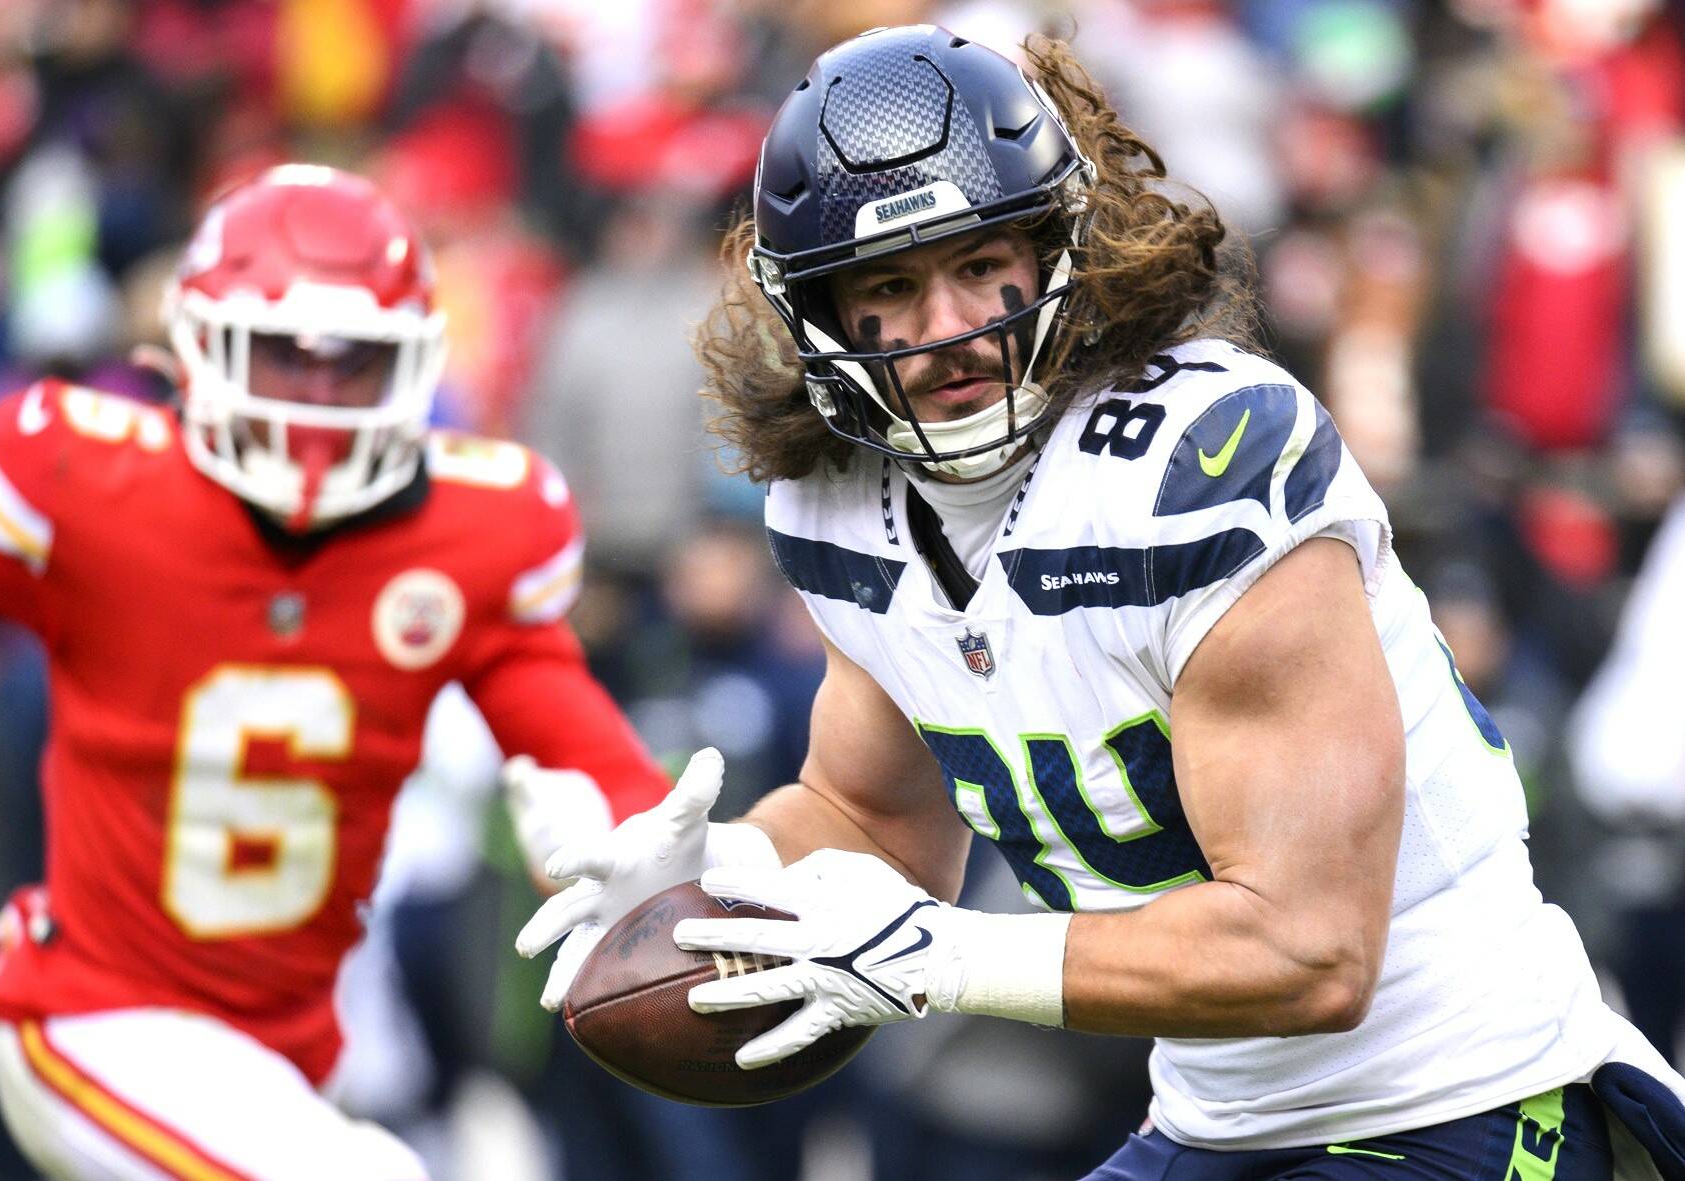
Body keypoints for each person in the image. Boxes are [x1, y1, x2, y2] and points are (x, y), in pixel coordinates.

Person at [518, 27, 1685, 1181]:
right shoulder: (838, 506)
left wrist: (944, 960)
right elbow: (871, 818)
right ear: (816, 312)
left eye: (979, 262)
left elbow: (1310, 950)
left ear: (1058, 247)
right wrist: (717, 873)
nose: (947, 326)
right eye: (889, 286)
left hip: (1464, 1088)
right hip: (1218, 1113)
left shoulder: (1199, 462)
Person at [0, 164, 670, 1181]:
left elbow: (592, 757)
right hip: (93, 1012)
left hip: (282, 1055)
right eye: (282, 356)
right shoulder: (90, 482)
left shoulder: (471, 534)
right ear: (200, 347)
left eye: (351, 365)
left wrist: (625, 844)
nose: (316, 401)